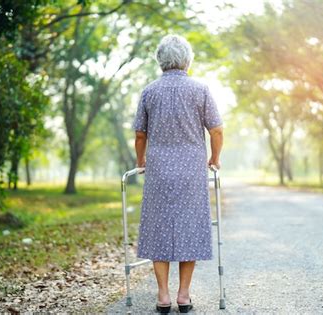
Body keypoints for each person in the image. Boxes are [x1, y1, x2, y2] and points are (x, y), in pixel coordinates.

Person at [132, 34, 224, 313]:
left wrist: (141, 161)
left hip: (158, 172)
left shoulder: (149, 91)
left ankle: (163, 296)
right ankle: (183, 296)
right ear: (186, 59)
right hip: (191, 172)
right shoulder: (200, 89)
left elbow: (139, 134)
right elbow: (216, 130)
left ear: (161, 60)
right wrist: (215, 158)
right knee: (189, 229)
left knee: (159, 230)